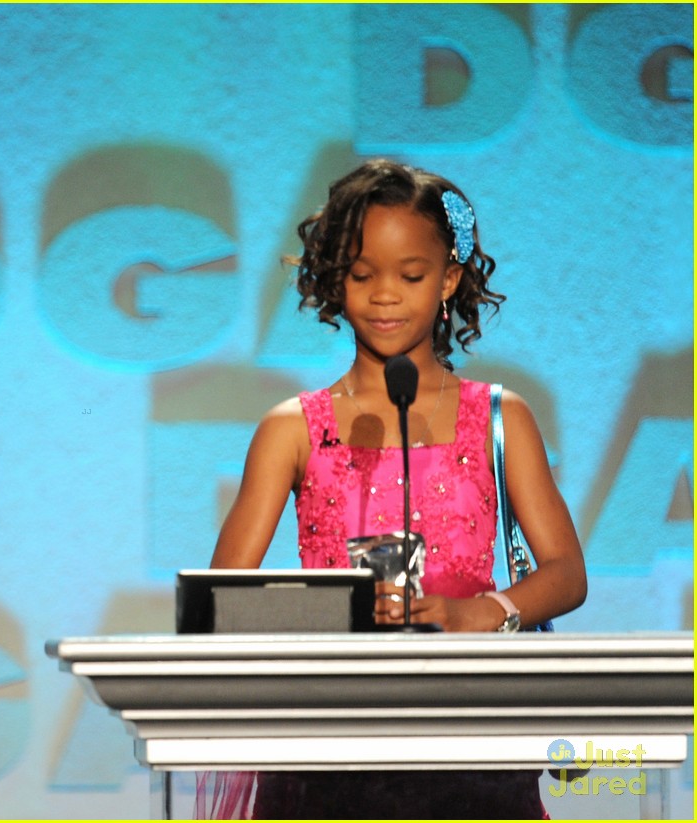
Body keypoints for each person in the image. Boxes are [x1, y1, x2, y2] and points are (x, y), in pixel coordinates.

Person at [203, 159, 587, 818]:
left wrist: (481, 610)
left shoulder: (501, 417)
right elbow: (221, 599)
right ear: (334, 280)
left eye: (410, 275)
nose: (385, 295)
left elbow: (566, 572)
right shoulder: (293, 429)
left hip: (473, 737)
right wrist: (335, 610)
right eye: (361, 274)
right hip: (328, 744)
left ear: (450, 279)